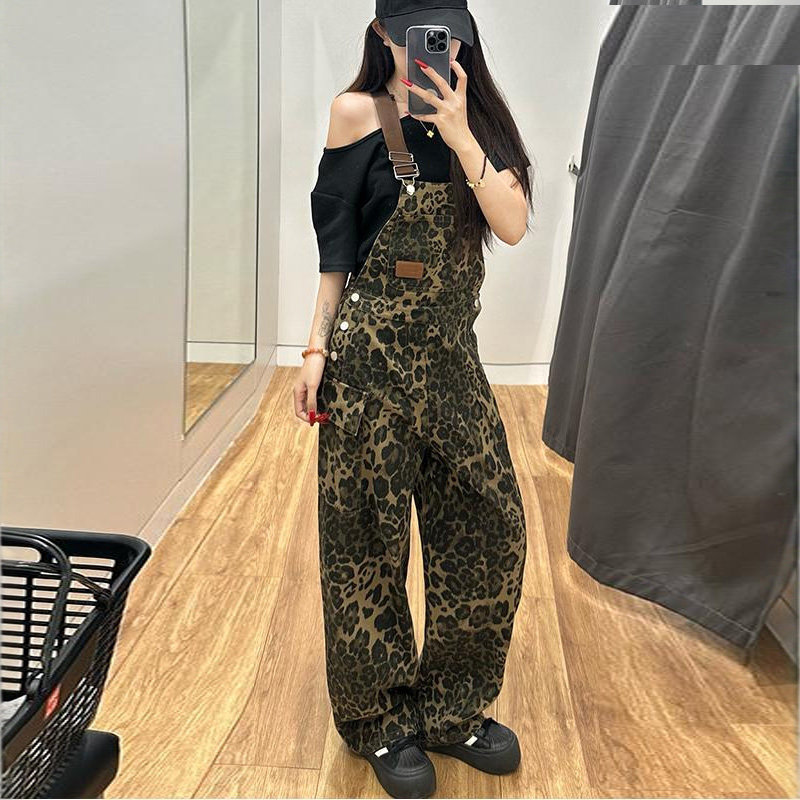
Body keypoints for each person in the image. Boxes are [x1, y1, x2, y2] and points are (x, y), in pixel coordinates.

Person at [293, 1, 533, 796]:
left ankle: (452, 710)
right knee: (365, 544)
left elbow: (513, 225)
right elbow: (337, 249)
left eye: (448, 35)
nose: (435, 48)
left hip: (452, 362)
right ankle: (379, 721)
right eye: (416, 36)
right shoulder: (355, 113)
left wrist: (459, 133)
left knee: (490, 528)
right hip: (369, 360)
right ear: (382, 36)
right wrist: (316, 349)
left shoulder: (481, 124)